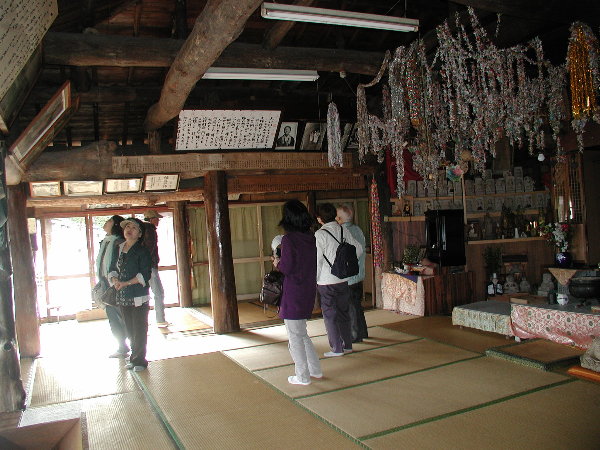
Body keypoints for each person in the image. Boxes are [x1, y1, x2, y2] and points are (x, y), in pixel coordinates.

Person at [273, 200, 322, 385]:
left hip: (293, 291)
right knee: (301, 333)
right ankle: (315, 370)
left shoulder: (289, 240)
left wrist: (277, 263)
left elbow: (287, 267)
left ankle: (302, 376)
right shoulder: (311, 237)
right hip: (307, 289)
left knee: (295, 337)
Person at [315, 203, 363, 357]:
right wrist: (346, 263)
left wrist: (314, 279)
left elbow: (317, 260)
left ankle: (336, 348)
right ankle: (347, 345)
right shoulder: (343, 229)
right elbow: (359, 249)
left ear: (319, 218)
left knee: (330, 315)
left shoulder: (320, 234)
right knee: (343, 313)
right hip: (343, 279)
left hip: (325, 281)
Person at [108, 218, 152, 372]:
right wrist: (115, 280)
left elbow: (145, 274)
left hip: (138, 295)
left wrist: (126, 283)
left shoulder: (142, 250)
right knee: (130, 329)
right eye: (127, 226)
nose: (129, 229)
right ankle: (134, 358)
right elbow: (112, 268)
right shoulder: (118, 248)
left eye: (134, 227)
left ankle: (140, 360)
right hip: (122, 296)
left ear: (139, 234)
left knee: (139, 329)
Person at [96, 215, 129, 358]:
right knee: (113, 317)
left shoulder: (119, 242)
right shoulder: (106, 242)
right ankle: (121, 346)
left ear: (115, 225)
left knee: (123, 315)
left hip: (117, 284)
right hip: (106, 283)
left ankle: (129, 345)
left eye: (109, 221)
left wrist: (116, 280)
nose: (106, 222)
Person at [336, 204, 368, 343]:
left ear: (339, 218)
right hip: (359, 274)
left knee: (351, 307)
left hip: (349, 276)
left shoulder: (342, 232)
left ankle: (354, 335)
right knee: (357, 305)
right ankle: (363, 332)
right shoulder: (358, 229)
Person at [143, 210, 168, 327]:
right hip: (150, 267)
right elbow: (150, 249)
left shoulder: (143, 230)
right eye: (156, 219)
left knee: (145, 294)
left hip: (145, 267)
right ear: (151, 219)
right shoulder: (150, 231)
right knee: (159, 293)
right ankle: (160, 319)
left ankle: (144, 321)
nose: (158, 221)